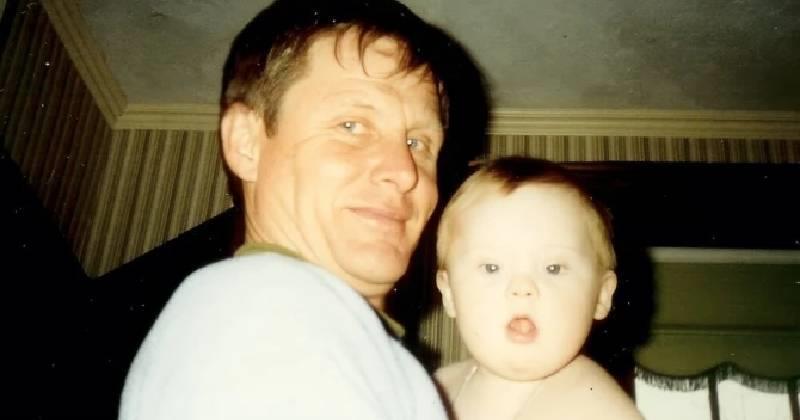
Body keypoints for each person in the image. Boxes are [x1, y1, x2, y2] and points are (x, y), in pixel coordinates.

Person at [118, 0, 487, 418]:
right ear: (246, 143)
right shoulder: (260, 308)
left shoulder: (332, 335)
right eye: (351, 126)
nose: (405, 172)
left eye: (417, 143)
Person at [434, 157, 643, 420]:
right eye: (491, 267)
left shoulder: (598, 409)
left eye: (553, 268)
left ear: (601, 295)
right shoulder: (435, 388)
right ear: (449, 293)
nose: (522, 288)